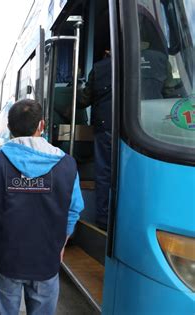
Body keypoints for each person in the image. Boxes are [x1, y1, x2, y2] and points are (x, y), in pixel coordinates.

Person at [0, 99, 84, 315]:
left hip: (5, 258)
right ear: (41, 126)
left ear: (9, 128)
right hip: (46, 260)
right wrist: (60, 245)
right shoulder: (68, 165)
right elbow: (73, 211)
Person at [78, 49, 112, 231]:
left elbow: (84, 100)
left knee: (104, 174)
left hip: (106, 127)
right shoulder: (158, 60)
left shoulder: (99, 68)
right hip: (145, 125)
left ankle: (103, 222)